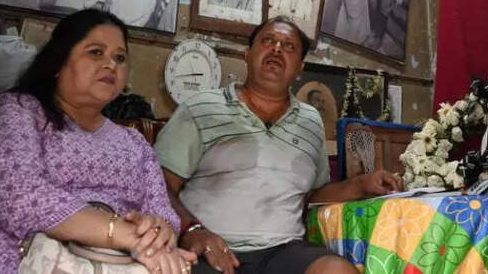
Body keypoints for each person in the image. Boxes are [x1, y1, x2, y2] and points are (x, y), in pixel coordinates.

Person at [153, 16, 401, 274]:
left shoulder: (310, 120)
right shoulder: (201, 107)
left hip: (284, 251)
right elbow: (157, 185)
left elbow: (312, 197)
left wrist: (361, 185)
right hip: (210, 249)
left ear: (299, 68)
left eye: (289, 46)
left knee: (337, 270)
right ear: (247, 55)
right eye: (268, 41)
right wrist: (191, 230)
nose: (277, 49)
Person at [0, 10, 197, 274]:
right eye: (96, 52)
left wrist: (159, 233)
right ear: (58, 63)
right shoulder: (17, 112)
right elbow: (20, 196)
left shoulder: (135, 144)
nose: (111, 64)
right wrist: (124, 234)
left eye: (120, 58)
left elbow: (163, 212)